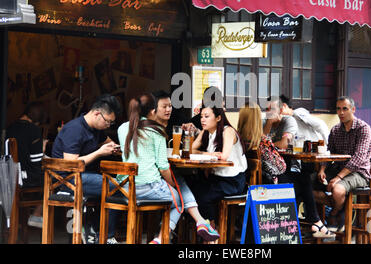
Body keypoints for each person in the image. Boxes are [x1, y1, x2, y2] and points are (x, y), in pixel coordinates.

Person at [117, 94, 220, 244]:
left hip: (125, 187)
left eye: (169, 106)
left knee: (177, 180)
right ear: (153, 111)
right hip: (147, 187)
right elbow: (163, 167)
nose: (168, 109)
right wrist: (174, 186)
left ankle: (199, 222)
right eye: (163, 106)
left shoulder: (122, 128)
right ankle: (161, 238)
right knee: (179, 201)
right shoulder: (156, 131)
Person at [239, 102, 334, 238]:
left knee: (301, 179)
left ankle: (311, 221)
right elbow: (280, 166)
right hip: (269, 186)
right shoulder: (262, 141)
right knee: (303, 178)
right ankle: (314, 221)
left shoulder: (240, 138)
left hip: (253, 183)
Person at [51, 94, 122, 244]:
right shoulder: (74, 129)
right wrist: (99, 152)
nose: (108, 125)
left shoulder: (96, 128)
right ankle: (103, 235)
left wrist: (118, 149)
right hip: (65, 180)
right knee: (116, 188)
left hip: (83, 177)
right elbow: (71, 163)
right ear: (97, 114)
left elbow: (110, 144)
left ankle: (93, 228)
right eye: (108, 121)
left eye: (111, 123)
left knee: (118, 185)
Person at [313, 96, 371, 231]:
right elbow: (329, 153)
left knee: (338, 190)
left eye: (344, 109)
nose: (341, 113)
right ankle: (341, 207)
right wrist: (322, 169)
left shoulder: (363, 129)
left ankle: (333, 215)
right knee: (306, 184)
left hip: (359, 172)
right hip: (337, 169)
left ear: (353, 109)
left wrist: (338, 178)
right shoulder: (335, 130)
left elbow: (358, 158)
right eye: (338, 109)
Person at [190, 105, 247, 234]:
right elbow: (192, 149)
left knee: (203, 196)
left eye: (207, 116)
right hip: (217, 179)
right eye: (201, 117)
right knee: (191, 190)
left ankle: (212, 231)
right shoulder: (208, 132)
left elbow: (224, 156)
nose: (202, 120)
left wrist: (204, 154)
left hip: (233, 181)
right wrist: (207, 154)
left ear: (218, 118)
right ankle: (206, 229)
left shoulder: (228, 131)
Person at [6, 101, 48, 228]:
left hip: (8, 175)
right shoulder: (34, 130)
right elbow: (36, 162)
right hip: (23, 177)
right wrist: (42, 148)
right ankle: (37, 214)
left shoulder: (10, 127)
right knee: (55, 177)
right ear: (37, 121)